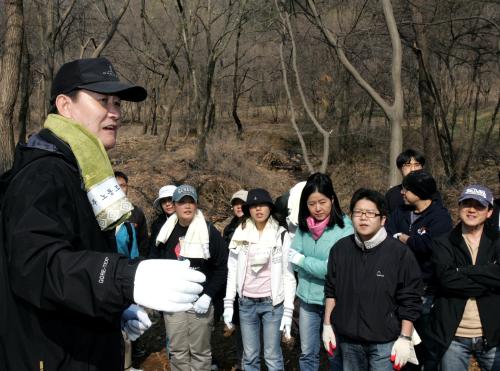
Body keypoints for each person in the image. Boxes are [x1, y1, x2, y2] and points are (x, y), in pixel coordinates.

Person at [0, 57, 205, 371]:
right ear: (65, 105)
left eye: (117, 102)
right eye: (102, 100)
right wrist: (124, 279)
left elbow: (76, 263)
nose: (115, 112)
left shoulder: (85, 172)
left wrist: (111, 309)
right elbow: (37, 266)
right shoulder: (44, 173)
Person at [323, 188, 423, 371]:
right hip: (348, 340)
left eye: (370, 213)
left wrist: (405, 337)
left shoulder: (400, 253)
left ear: (383, 219)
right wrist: (327, 324)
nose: (363, 217)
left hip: (384, 342)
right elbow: (331, 289)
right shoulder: (340, 249)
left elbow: (411, 299)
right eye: (358, 212)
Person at [151, 184, 228, 371]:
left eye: (191, 202)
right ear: (174, 205)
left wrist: (208, 296)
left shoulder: (209, 232)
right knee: (177, 350)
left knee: (200, 351)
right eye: (182, 202)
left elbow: (222, 267)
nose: (187, 206)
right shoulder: (165, 233)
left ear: (196, 205)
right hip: (174, 301)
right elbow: (155, 264)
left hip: (200, 301)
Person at [427, 185, 500, 371]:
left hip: (493, 335)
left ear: (490, 212)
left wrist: (463, 270)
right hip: (453, 336)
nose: (472, 210)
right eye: (467, 204)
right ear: (459, 207)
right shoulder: (443, 242)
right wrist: (489, 280)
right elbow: (446, 279)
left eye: (479, 206)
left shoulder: (497, 242)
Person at [223, 188, 296, 371]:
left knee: (272, 356)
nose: (258, 209)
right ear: (248, 209)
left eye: (262, 205)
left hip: (272, 305)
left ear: (270, 208)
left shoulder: (281, 234)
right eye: (253, 206)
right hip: (246, 303)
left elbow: (288, 275)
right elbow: (232, 270)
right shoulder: (240, 232)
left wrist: (288, 310)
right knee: (250, 357)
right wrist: (228, 303)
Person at [288, 172, 353, 371]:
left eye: (322, 202)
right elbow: (293, 257)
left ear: (332, 199)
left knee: (334, 353)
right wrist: (310, 263)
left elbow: (333, 269)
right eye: (311, 203)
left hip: (333, 302)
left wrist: (304, 261)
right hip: (307, 300)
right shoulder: (304, 227)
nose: (317, 209)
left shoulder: (345, 229)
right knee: (307, 353)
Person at [222, 189, 248, 371]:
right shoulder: (229, 228)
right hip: (236, 285)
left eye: (242, 203)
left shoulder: (259, 226)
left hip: (256, 286)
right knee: (240, 327)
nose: (238, 207)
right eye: (235, 203)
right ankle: (242, 362)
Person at [115, 171, 149, 257]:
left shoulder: (136, 212)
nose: (120, 189)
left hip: (132, 262)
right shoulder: (102, 214)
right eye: (116, 186)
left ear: (127, 187)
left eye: (123, 186)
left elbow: (143, 242)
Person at [385, 149, 427, 215]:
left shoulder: (430, 192)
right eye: (408, 165)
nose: (413, 169)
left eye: (417, 165)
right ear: (400, 168)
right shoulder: (392, 194)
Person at [149, 184, 177, 256]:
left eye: (170, 200)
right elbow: (153, 249)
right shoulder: (157, 224)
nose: (167, 204)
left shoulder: (186, 221)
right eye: (164, 201)